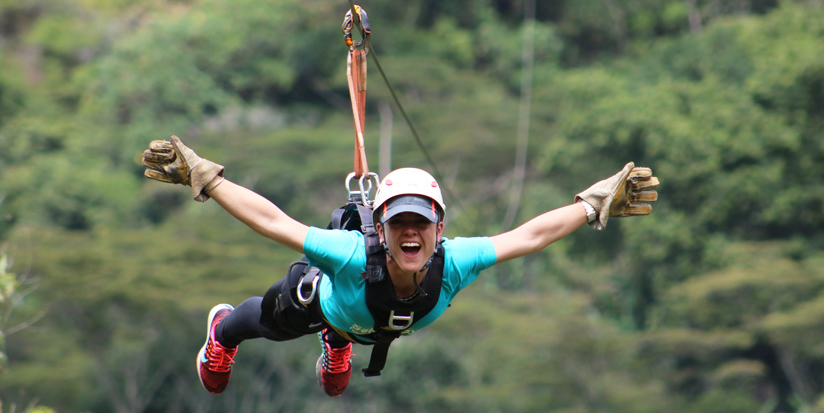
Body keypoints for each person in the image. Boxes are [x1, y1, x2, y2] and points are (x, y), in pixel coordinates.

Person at [141, 135, 659, 397]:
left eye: (421, 223)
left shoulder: (455, 261)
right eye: (398, 224)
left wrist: (591, 204)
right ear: (381, 230)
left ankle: (339, 343)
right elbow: (274, 222)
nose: (410, 233)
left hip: (364, 320)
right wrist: (207, 178)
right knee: (276, 316)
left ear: (439, 228)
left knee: (353, 329)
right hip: (330, 301)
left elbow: (529, 236)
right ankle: (221, 334)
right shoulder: (349, 254)